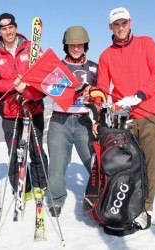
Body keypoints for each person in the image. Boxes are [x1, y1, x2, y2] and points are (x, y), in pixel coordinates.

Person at [96, 7, 155, 226]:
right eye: (116, 24)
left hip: (149, 111)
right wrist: (104, 110)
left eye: (124, 23)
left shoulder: (147, 43)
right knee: (127, 163)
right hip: (123, 116)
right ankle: (128, 203)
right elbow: (101, 89)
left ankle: (145, 208)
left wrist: (140, 94)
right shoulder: (106, 55)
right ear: (110, 27)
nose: (121, 27)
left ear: (130, 23)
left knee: (148, 161)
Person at [0, 13, 48, 200]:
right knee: (14, 153)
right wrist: (13, 84)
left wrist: (29, 91)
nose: (8, 31)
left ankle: (40, 184)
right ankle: (23, 186)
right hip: (10, 113)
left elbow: (45, 77)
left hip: (33, 109)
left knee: (36, 151)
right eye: (4, 28)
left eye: (10, 27)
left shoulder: (32, 48)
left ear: (15, 28)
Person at [47, 26, 98, 217]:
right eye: (72, 45)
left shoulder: (94, 67)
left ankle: (100, 195)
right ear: (66, 46)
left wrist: (92, 95)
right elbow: (47, 87)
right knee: (58, 162)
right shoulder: (57, 67)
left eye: (80, 45)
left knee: (93, 161)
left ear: (85, 45)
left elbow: (100, 94)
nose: (76, 48)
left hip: (84, 119)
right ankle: (56, 198)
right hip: (60, 119)